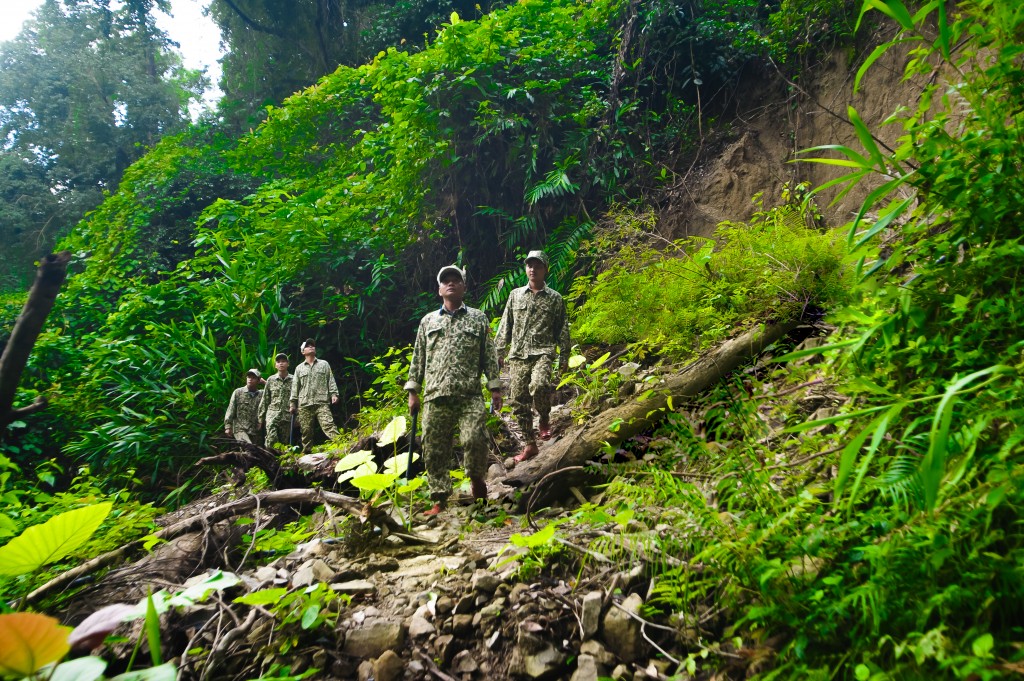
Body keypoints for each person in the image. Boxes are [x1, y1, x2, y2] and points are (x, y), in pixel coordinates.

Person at [405, 264, 503, 516]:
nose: (450, 283)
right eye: (445, 281)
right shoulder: (428, 321)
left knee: (474, 439)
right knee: (434, 448)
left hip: (469, 394)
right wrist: (413, 391)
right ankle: (439, 499)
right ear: (439, 290)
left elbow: (489, 356)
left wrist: (495, 387)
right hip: (435, 396)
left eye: (455, 280)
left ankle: (478, 483)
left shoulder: (478, 318)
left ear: (463, 287)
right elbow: (418, 358)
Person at [496, 250, 571, 463]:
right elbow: (505, 325)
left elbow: (562, 329)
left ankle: (544, 417)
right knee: (518, 399)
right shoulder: (515, 295)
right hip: (518, 355)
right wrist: (499, 352)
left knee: (539, 385)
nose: (532, 269)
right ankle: (530, 444)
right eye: (529, 265)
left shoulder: (555, 298)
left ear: (545, 269)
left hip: (544, 352)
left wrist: (564, 356)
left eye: (537, 266)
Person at [289, 339, 340, 454]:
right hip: (305, 404)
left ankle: (342, 447)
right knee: (306, 431)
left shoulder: (324, 364)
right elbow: (295, 387)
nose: (311, 347)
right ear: (303, 351)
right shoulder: (299, 368)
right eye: (308, 346)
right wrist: (293, 404)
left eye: (312, 345)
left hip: (321, 402)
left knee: (329, 425)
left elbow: (330, 380)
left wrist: (334, 394)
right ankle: (306, 454)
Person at [259, 353, 294, 450]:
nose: (281, 364)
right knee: (271, 437)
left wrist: (298, 416)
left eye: (283, 361)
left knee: (284, 443)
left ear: (288, 364)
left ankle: (278, 461)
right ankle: (269, 455)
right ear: (275, 365)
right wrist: (261, 417)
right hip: (272, 414)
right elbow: (265, 399)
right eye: (278, 362)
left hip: (287, 415)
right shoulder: (271, 380)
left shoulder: (294, 379)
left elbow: (299, 398)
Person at [224, 369, 263, 445]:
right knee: (249, 447)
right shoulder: (238, 392)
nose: (250, 379)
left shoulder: (262, 394)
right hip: (240, 429)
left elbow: (275, 389)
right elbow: (231, 409)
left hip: (255, 431)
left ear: (258, 380)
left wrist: (264, 382)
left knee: (254, 454)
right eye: (248, 377)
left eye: (253, 377)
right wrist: (228, 426)